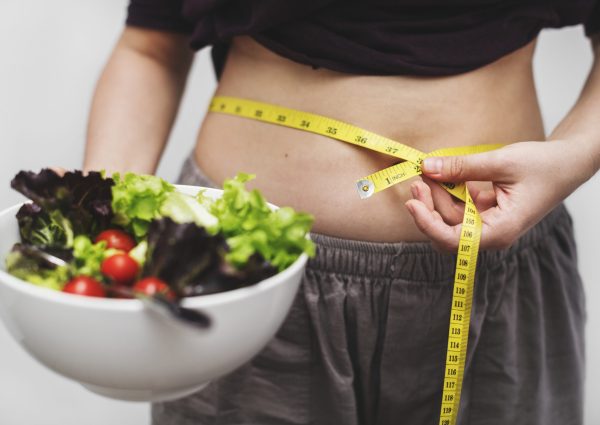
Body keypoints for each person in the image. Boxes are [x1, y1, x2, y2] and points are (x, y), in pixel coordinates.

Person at [83, 1, 599, 424]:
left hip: (498, 279)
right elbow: (150, 46)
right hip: (242, 281)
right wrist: (98, 225)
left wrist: (574, 156)